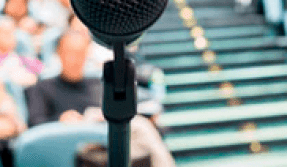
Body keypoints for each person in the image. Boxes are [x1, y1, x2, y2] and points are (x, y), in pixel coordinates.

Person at [26, 30, 176, 167]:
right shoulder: (42, 87)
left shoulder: (97, 83)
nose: (75, 59)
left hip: (108, 136)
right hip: (74, 142)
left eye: (80, 53)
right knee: (140, 129)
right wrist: (61, 119)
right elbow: (35, 121)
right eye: (70, 53)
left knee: (141, 132)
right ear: (59, 53)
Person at [0, 17, 41, 87]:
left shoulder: (25, 59)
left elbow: (41, 74)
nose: (9, 37)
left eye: (11, 33)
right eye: (3, 33)